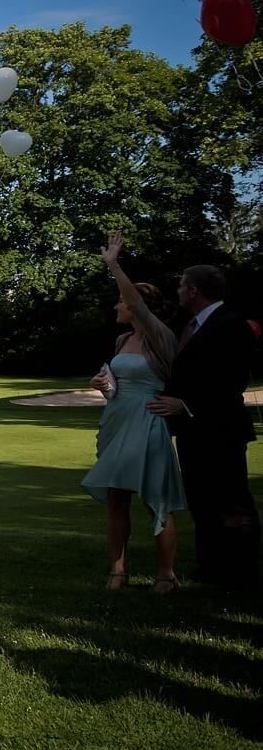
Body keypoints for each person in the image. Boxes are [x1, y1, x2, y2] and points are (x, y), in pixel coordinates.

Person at [147, 264, 259, 590]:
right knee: (203, 502)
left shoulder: (230, 325)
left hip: (221, 430)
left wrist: (185, 404)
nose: (179, 291)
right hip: (195, 432)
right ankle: (211, 569)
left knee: (232, 503)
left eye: (182, 286)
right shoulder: (193, 326)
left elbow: (230, 382)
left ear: (195, 290)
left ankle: (243, 574)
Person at [82, 234, 184, 593]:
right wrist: (104, 385)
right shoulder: (122, 342)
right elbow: (116, 387)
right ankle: (118, 569)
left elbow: (137, 303)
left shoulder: (161, 336)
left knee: (154, 497)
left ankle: (165, 573)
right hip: (117, 420)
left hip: (148, 421)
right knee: (116, 497)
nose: (116, 308)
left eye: (120, 303)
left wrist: (113, 264)